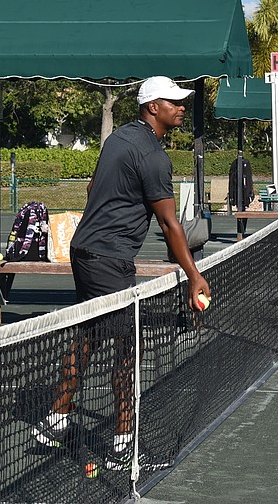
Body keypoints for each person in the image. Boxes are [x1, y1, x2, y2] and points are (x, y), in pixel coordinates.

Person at [31, 76, 211, 472]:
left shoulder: (119, 138)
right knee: (127, 353)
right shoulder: (152, 156)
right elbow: (168, 223)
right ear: (152, 108)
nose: (181, 107)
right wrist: (194, 275)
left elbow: (95, 185)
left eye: (182, 102)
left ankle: (55, 420)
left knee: (90, 336)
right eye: (174, 102)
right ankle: (120, 448)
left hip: (86, 251)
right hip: (108, 260)